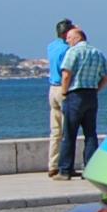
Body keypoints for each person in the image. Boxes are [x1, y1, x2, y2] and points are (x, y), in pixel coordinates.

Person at [53, 24, 107, 180]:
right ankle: (90, 169)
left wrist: (64, 92)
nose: (67, 41)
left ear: (77, 38)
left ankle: (65, 170)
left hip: (75, 95)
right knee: (90, 134)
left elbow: (66, 75)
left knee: (69, 134)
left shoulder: (73, 52)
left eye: (69, 38)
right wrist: (96, 90)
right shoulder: (97, 53)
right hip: (91, 95)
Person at [44, 17, 74, 161]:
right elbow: (67, 72)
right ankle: (65, 163)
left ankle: (53, 163)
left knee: (55, 131)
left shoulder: (50, 46)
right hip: (63, 88)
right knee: (67, 129)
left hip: (52, 89)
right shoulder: (68, 49)